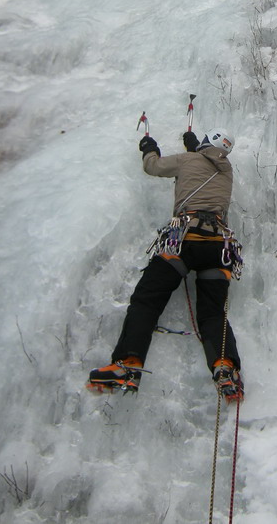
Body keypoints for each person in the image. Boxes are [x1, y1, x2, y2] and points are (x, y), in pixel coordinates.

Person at [87, 126, 244, 402]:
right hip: (218, 247)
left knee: (147, 300)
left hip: (183, 241)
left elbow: (154, 167)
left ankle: (128, 365)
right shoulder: (227, 170)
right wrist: (193, 144)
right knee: (213, 314)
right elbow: (205, 160)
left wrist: (149, 146)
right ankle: (225, 368)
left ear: (207, 142)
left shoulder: (187, 160)